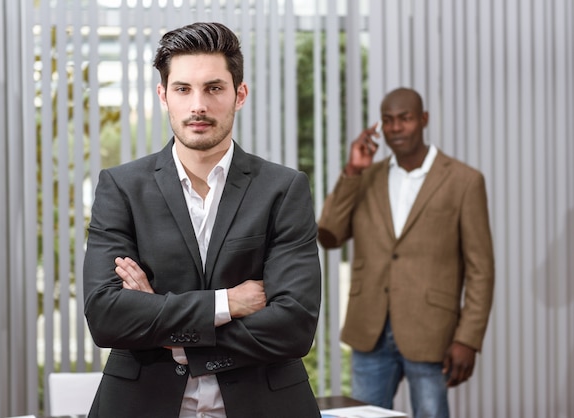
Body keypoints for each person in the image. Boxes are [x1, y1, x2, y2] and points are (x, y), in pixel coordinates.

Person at [82, 22, 321, 418]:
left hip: (264, 405)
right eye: (183, 89)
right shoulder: (121, 188)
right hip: (142, 405)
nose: (198, 105)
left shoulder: (283, 189)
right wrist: (229, 302)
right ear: (163, 96)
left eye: (213, 88)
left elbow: (294, 325)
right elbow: (107, 316)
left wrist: (166, 331)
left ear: (239, 94)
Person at [317, 87, 495, 418]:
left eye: (405, 119)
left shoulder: (464, 181)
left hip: (431, 331)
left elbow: (481, 269)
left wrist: (468, 338)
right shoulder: (366, 177)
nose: (396, 128)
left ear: (423, 119)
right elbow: (329, 234)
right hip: (368, 328)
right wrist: (352, 172)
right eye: (388, 121)